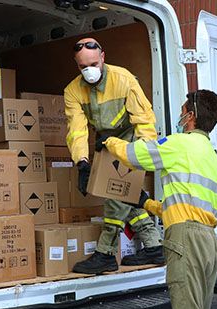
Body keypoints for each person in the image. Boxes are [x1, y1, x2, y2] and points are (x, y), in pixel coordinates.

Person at [100, 90, 217, 309]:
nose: (180, 117)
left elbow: (134, 155)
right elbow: (188, 204)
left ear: (191, 116)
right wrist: (148, 204)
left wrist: (107, 141)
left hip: (186, 240)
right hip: (207, 242)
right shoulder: (211, 155)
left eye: (183, 111)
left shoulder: (180, 143)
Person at [64, 38, 164, 274]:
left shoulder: (124, 79)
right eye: (83, 66)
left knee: (114, 192)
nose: (89, 71)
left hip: (132, 140)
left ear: (103, 57)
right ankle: (153, 246)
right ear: (77, 65)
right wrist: (82, 162)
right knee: (127, 194)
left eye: (93, 64)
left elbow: (144, 120)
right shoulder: (72, 91)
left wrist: (142, 155)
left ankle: (105, 253)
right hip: (106, 142)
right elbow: (77, 130)